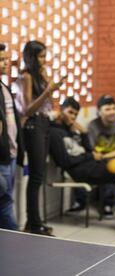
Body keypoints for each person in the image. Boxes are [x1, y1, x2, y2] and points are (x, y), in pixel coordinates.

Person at [49, 97, 115, 235]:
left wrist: (84, 134)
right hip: (79, 171)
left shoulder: (71, 130)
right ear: (61, 111)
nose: (73, 117)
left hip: (90, 164)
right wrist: (90, 156)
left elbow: (89, 150)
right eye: (70, 112)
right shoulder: (55, 133)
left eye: (75, 114)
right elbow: (64, 161)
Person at [16, 41, 65, 236]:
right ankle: (33, 222)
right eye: (41, 56)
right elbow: (28, 109)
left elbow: (50, 103)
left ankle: (35, 221)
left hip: (44, 124)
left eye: (45, 56)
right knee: (36, 175)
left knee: (39, 174)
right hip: (33, 126)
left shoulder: (39, 75)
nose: (44, 60)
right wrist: (48, 90)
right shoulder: (26, 77)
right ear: (32, 57)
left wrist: (48, 83)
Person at [0, 43, 24, 231]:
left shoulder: (4, 87)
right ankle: (15, 238)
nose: (5, 63)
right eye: (1, 59)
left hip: (11, 153)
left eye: (6, 59)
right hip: (2, 156)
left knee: (7, 199)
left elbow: (13, 121)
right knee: (5, 201)